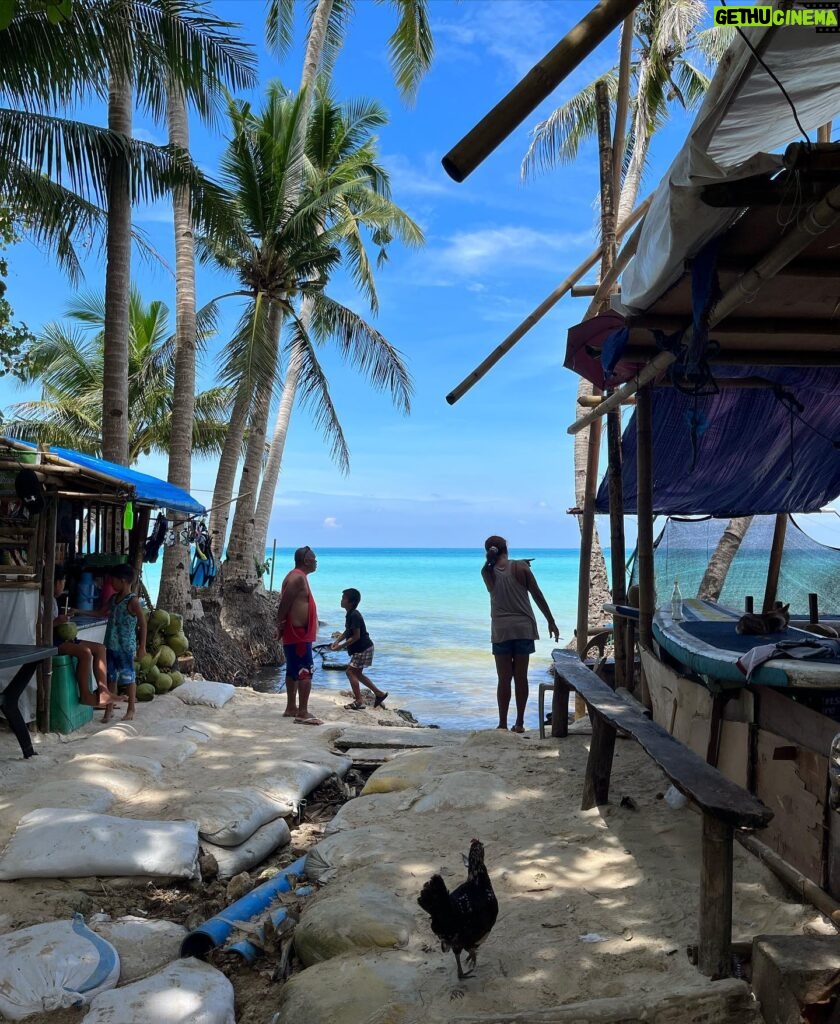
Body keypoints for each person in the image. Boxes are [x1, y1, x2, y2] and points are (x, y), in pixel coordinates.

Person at [481, 535, 559, 733]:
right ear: (507, 548)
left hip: (501, 631)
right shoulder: (521, 568)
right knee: (521, 677)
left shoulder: (486, 572)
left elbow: (495, 569)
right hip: (524, 629)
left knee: (504, 679)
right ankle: (520, 723)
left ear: (488, 551)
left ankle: (502, 724)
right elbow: (537, 595)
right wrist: (551, 621)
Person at [52, 571, 117, 708]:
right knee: (85, 653)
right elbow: (36, 626)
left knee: (100, 648)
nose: (63, 586)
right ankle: (85, 694)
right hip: (52, 641)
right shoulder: (40, 601)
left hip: (62, 638)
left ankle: (103, 691)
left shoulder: (53, 601)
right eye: (62, 582)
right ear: (56, 582)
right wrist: (56, 622)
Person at [275, 546, 322, 725]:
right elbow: (284, 605)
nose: (316, 561)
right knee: (304, 672)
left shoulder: (299, 577)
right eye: (314, 558)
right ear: (306, 560)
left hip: (297, 634)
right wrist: (278, 626)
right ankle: (302, 711)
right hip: (298, 634)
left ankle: (291, 708)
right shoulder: (297, 578)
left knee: (293, 670)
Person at [102, 564, 146, 723]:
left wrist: (142, 646)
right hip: (110, 645)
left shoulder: (133, 601)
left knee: (129, 678)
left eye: (113, 580)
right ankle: (109, 709)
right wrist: (78, 611)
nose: (111, 583)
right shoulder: (113, 599)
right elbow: (100, 613)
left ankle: (131, 708)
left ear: (123, 580)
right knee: (111, 678)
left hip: (125, 647)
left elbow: (143, 623)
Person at [331, 588, 388, 711]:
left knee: (350, 672)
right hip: (363, 648)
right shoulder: (350, 613)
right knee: (357, 674)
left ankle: (359, 701)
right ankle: (379, 694)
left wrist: (340, 647)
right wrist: (337, 641)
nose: (341, 600)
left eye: (343, 598)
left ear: (351, 602)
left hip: (363, 648)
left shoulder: (355, 615)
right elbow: (348, 631)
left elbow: (356, 636)